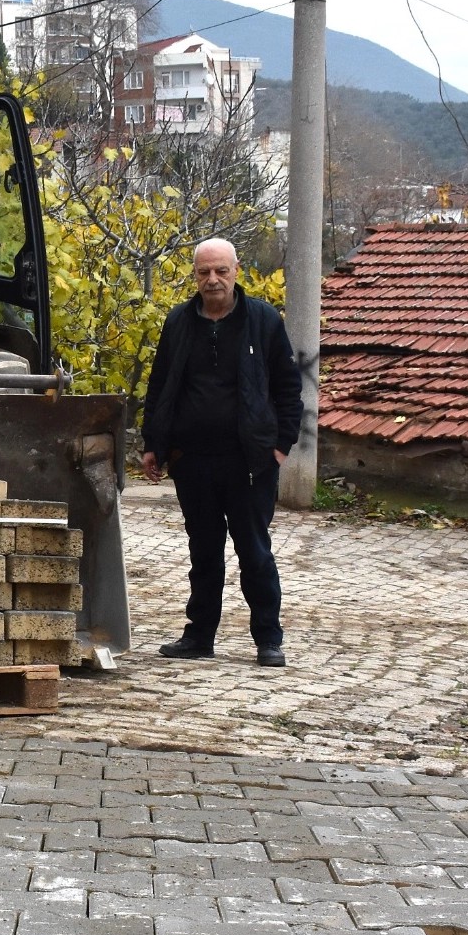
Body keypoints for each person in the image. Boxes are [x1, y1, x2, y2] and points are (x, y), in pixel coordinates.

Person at [140, 237, 304, 667]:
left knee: (254, 552)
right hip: (192, 460)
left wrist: (280, 448)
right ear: (195, 276)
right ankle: (199, 637)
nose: (212, 280)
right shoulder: (178, 322)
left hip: (249, 463)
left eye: (220, 271)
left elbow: (289, 389)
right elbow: (160, 387)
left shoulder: (263, 321)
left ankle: (268, 640)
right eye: (203, 272)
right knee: (204, 552)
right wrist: (155, 445)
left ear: (236, 271)